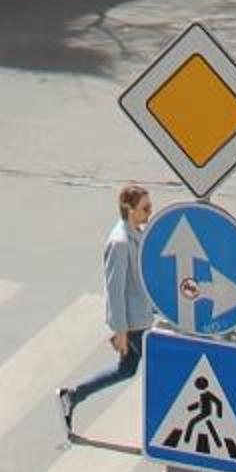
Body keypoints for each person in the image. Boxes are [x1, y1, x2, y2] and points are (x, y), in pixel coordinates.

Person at [58, 184, 155, 439]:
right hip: (134, 324)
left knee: (126, 370)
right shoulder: (120, 243)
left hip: (143, 316)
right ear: (129, 209)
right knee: (162, 373)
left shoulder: (137, 233)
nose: (150, 212)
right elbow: (114, 290)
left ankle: (72, 395)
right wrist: (120, 331)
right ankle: (161, 431)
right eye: (145, 208)